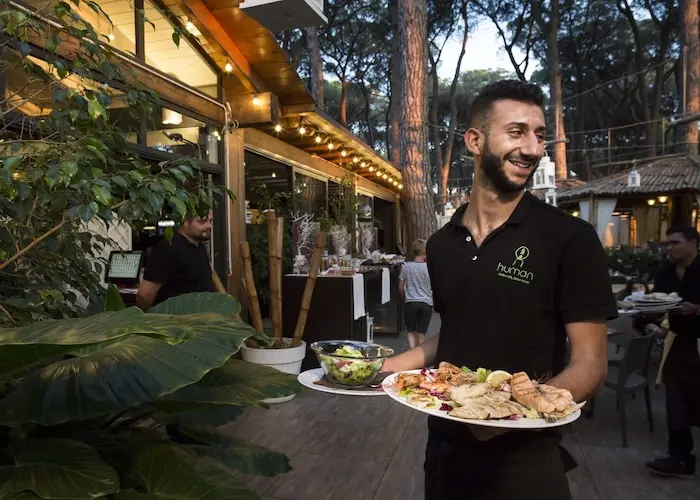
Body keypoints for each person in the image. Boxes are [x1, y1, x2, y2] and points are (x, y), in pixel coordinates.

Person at [382, 80, 618, 500]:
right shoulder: (441, 245)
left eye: (539, 135)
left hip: (526, 460)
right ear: (474, 141)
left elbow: (590, 363)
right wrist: (382, 368)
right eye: (516, 132)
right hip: (444, 451)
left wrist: (507, 414)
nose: (532, 148)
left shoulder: (569, 238)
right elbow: (456, 332)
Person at [645, 226, 700, 478]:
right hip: (677, 343)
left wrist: (697, 309)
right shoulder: (666, 273)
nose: (670, 248)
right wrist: (649, 317)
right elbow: (657, 303)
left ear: (693, 242)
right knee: (675, 399)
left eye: (675, 243)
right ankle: (679, 457)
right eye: (667, 243)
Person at [136, 211, 226, 309]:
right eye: (202, 221)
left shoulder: (199, 247)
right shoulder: (167, 249)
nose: (209, 226)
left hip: (207, 314)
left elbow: (208, 277)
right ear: (185, 222)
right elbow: (145, 295)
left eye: (210, 221)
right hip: (179, 316)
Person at [399, 239, 433, 348]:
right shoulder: (429, 267)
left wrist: (405, 297)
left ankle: (412, 353)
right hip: (426, 303)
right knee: (421, 333)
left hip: (411, 302)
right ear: (425, 252)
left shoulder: (406, 267)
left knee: (410, 331)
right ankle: (420, 355)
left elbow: (400, 286)